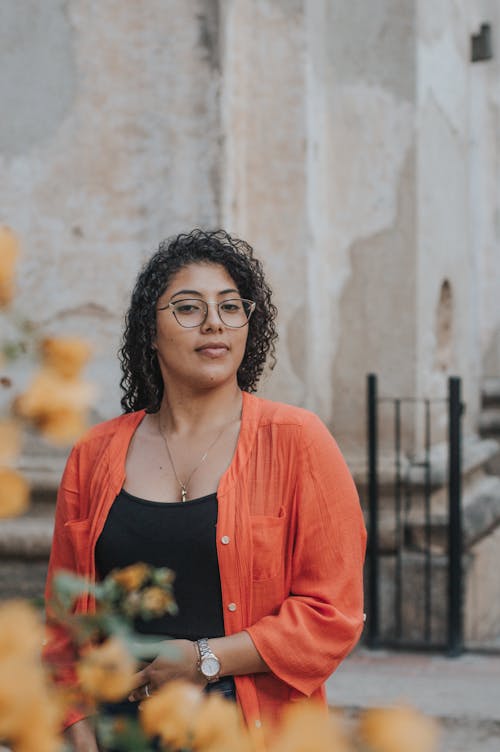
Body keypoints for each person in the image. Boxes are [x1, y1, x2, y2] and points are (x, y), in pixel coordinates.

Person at [43, 229, 367, 752]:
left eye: (231, 307)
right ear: (150, 330)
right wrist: (77, 733)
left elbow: (334, 615)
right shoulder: (94, 455)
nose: (214, 322)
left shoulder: (296, 441)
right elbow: (63, 627)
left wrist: (204, 658)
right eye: (189, 308)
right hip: (118, 735)